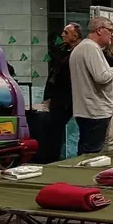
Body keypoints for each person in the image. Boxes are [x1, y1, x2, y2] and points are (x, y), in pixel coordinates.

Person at [69, 16, 113, 154]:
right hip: (95, 111)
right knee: (92, 154)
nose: (112, 34)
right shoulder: (91, 48)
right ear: (99, 30)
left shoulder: (81, 48)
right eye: (109, 30)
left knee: (86, 150)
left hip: (87, 109)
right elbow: (102, 77)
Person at [38, 22, 81, 163]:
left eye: (66, 33)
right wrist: (48, 96)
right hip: (59, 98)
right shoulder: (61, 51)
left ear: (75, 36)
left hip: (74, 97)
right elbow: (53, 75)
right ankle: (53, 159)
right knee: (54, 131)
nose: (62, 35)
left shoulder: (81, 52)